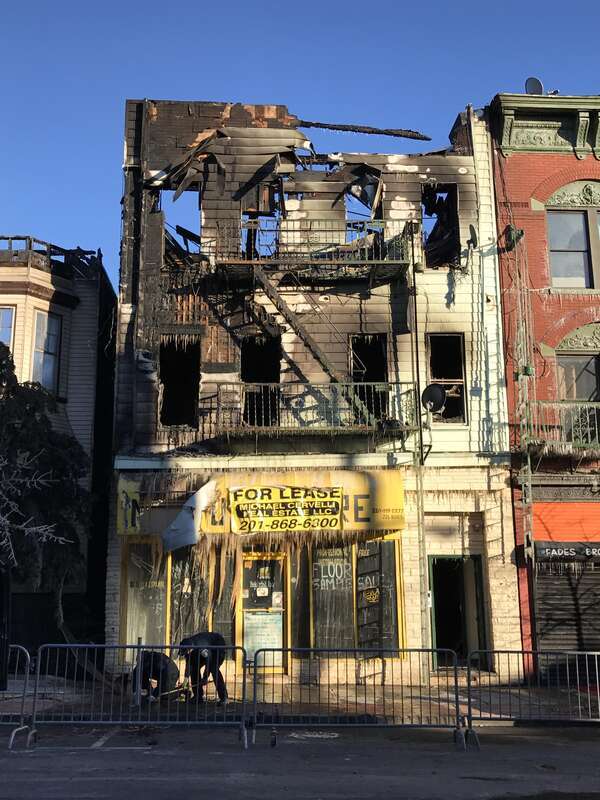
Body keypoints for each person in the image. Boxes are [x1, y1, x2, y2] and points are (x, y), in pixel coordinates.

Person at [179, 631, 229, 705]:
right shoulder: (189, 646)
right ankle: (198, 697)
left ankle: (224, 697)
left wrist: (205, 677)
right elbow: (189, 664)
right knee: (194, 669)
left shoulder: (201, 646)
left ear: (190, 649)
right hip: (206, 650)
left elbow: (209, 660)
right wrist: (185, 679)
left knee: (213, 669)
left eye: (186, 652)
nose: (186, 654)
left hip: (218, 647)